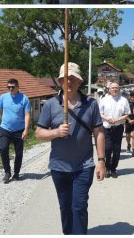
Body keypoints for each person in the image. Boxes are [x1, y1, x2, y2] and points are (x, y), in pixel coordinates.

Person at [36, 63, 105, 235]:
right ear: (59, 81)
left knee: (79, 206)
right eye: (65, 78)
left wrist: (101, 161)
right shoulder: (51, 104)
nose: (69, 81)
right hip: (59, 167)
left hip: (84, 166)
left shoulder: (91, 104)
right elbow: (38, 133)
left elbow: (99, 133)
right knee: (65, 207)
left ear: (80, 81)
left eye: (73, 78)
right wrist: (56, 132)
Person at [0, 78, 31, 183]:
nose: (10, 88)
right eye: (8, 87)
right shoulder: (3, 97)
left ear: (18, 87)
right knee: (3, 148)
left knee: (18, 153)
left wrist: (26, 130)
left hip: (19, 130)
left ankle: (16, 173)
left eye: (13, 87)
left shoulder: (24, 99)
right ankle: (7, 172)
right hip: (5, 128)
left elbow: (27, 115)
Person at [98, 82, 131, 178]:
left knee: (117, 150)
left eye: (116, 88)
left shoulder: (124, 100)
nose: (115, 89)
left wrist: (118, 119)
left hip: (118, 127)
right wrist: (107, 118)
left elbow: (127, 114)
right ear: (109, 89)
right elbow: (100, 113)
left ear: (119, 89)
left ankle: (113, 169)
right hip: (107, 127)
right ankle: (107, 168)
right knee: (107, 148)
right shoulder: (104, 100)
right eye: (112, 88)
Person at [124, 91, 134, 157]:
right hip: (128, 121)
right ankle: (128, 144)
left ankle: (133, 150)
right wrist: (129, 120)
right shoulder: (127, 103)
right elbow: (124, 113)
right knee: (128, 135)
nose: (133, 98)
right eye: (132, 96)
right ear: (130, 96)